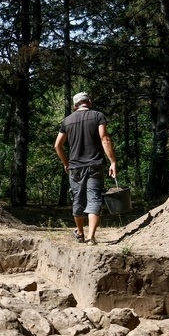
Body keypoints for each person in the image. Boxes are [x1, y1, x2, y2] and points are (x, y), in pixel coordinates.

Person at [54, 92, 117, 245]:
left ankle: (80, 233)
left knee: (78, 199)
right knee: (94, 198)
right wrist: (113, 162)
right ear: (89, 101)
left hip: (75, 167)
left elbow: (57, 145)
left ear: (75, 106)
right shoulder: (97, 116)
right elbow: (105, 138)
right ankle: (91, 237)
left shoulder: (67, 121)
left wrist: (66, 163)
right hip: (95, 164)